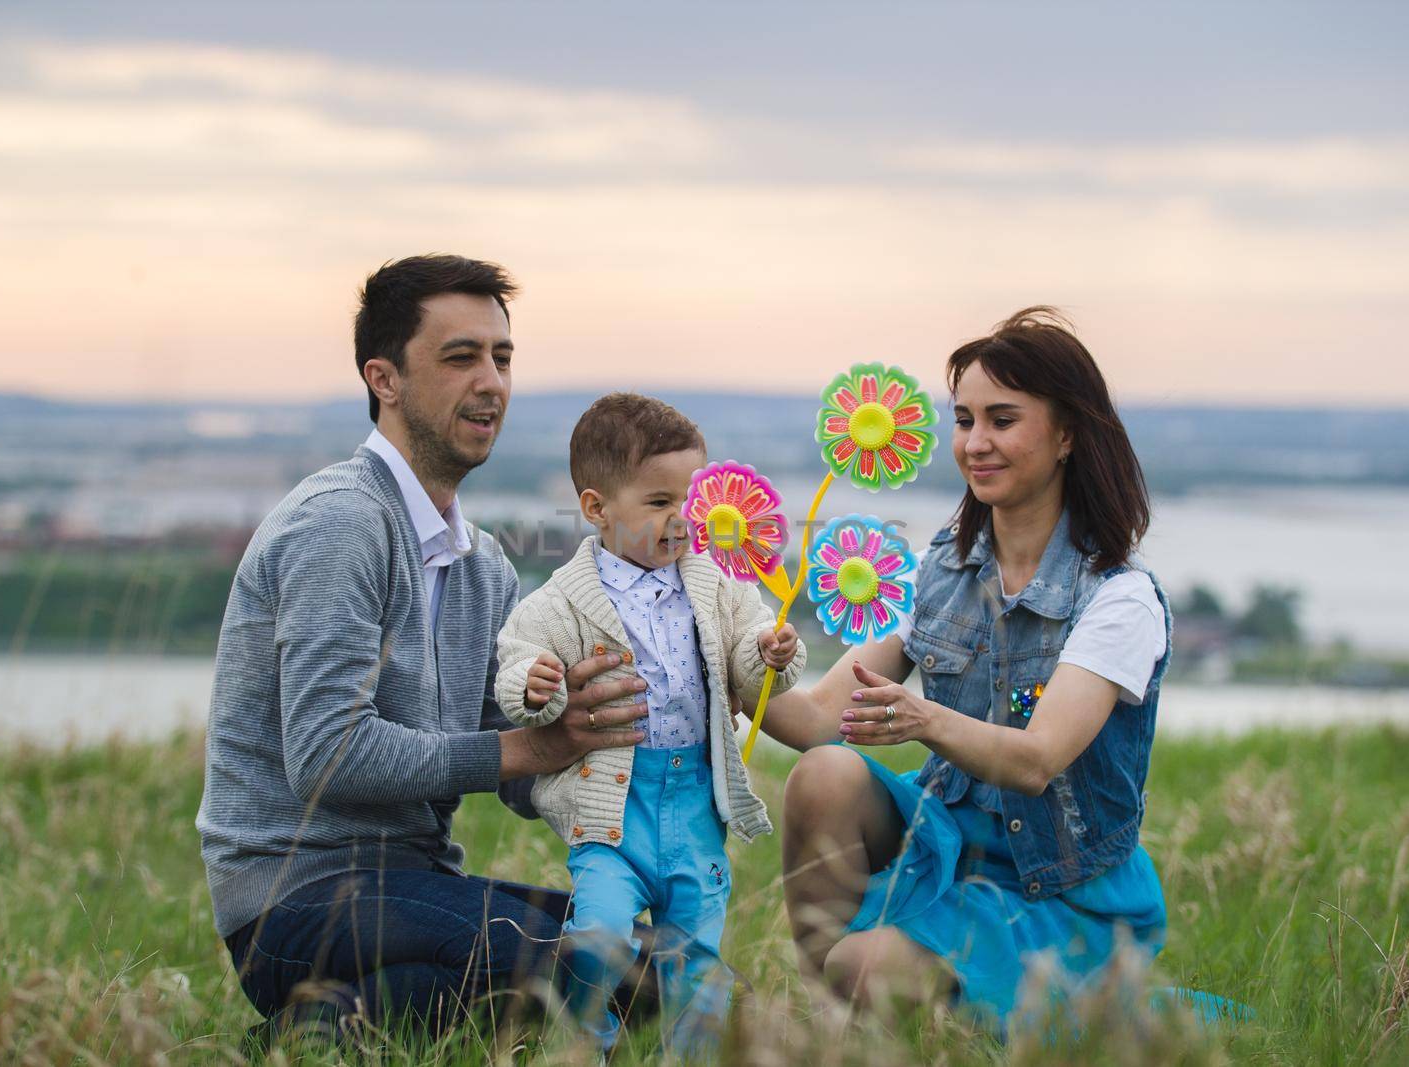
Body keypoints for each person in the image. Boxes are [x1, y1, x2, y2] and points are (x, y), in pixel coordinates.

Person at [194, 255, 652, 1044]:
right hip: (293, 902)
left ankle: (323, 1031)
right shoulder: (341, 523)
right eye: (460, 357)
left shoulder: (485, 564)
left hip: (412, 888)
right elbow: (330, 755)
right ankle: (320, 1023)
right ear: (385, 379)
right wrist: (527, 743)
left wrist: (605, 754)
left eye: (502, 358)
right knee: (580, 968)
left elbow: (518, 760)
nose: (492, 382)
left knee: (662, 968)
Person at [757, 307, 1172, 1030]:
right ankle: (832, 1027)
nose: (976, 443)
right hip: (948, 850)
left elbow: (1037, 761)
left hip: (1059, 892)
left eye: (1002, 420)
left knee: (859, 964)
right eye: (964, 420)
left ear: (1067, 433)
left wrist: (922, 717)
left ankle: (1062, 1001)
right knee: (824, 773)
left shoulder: (1118, 598)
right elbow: (817, 720)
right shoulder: (940, 572)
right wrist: (725, 638)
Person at [495, 393, 805, 1054]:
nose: (681, 521)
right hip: (614, 807)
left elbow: (752, 656)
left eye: (690, 503)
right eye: (659, 502)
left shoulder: (717, 582)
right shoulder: (564, 599)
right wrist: (534, 685)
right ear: (596, 508)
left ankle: (687, 1053)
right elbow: (518, 656)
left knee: (695, 954)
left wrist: (771, 653)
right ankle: (588, 1041)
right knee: (601, 934)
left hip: (695, 800)